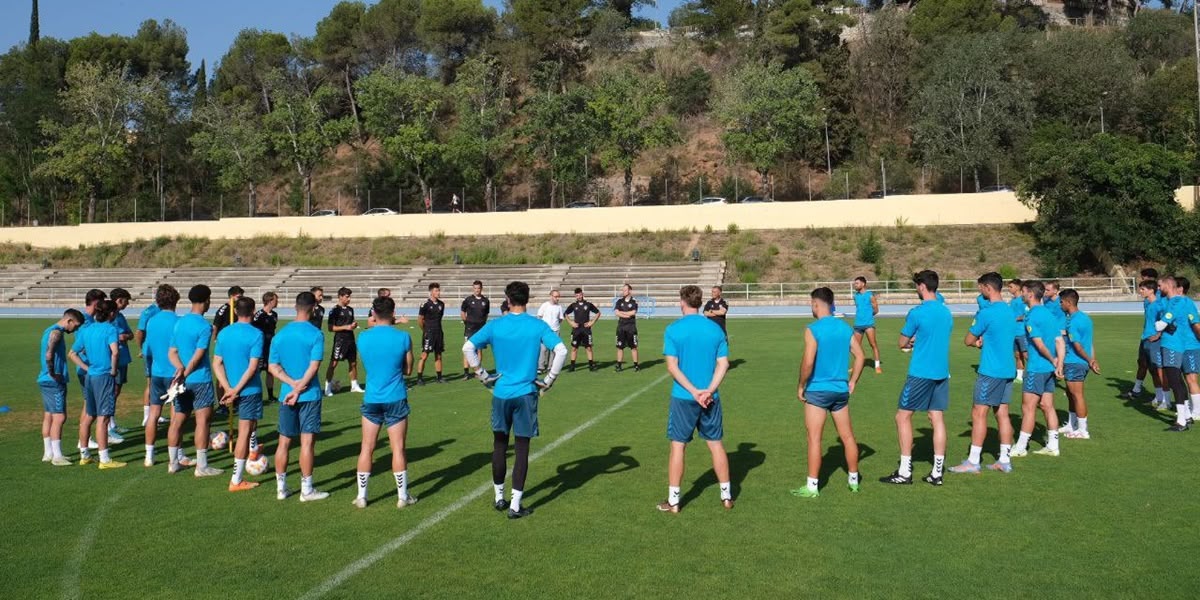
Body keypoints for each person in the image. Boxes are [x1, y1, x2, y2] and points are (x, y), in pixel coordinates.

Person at [463, 280, 568, 519]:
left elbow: (467, 347)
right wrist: (549, 379)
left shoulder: (496, 326)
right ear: (527, 300)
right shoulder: (537, 326)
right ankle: (515, 505)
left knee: (499, 445)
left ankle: (500, 497)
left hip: (501, 393)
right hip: (526, 393)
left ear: (508, 300)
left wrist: (482, 375)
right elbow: (561, 350)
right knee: (521, 449)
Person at [658, 285, 733, 513]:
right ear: (700, 302)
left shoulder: (673, 329)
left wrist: (693, 391)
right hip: (711, 399)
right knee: (716, 444)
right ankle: (727, 496)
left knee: (678, 447)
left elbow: (672, 367)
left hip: (683, 398)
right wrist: (708, 390)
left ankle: (674, 502)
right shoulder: (715, 330)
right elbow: (724, 364)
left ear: (682, 302)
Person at [880, 270, 953, 486]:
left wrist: (911, 342)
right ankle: (937, 473)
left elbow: (902, 342)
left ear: (921, 286)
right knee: (936, 418)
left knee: (902, 417)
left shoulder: (917, 313)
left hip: (921, 373)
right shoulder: (946, 312)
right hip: (941, 372)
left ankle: (904, 471)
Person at [792, 287, 864, 498]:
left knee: (814, 439)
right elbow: (860, 356)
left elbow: (808, 362)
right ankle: (853, 480)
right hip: (841, 391)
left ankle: (812, 486)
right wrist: (853, 382)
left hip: (818, 391)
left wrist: (801, 385)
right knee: (848, 437)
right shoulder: (845, 328)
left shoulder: (812, 329)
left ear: (815, 304)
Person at [353, 296, 418, 509]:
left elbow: (367, 365)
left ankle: (362, 496)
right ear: (393, 312)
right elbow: (408, 369)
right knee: (398, 448)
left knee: (367, 447)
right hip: (395, 397)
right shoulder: (403, 337)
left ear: (373, 313)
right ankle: (402, 496)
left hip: (372, 397)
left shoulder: (362, 338)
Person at [950, 273, 1017, 475]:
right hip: (1008, 369)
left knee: (979, 413)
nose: (980, 292)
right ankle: (1005, 460)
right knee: (1002, 413)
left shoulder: (986, 313)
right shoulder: (1009, 311)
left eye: (980, 288)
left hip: (991, 370)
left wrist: (979, 342)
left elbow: (968, 340)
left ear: (988, 288)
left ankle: (973, 461)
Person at [268, 291, 328, 501]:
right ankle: (306, 489)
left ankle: (281, 489)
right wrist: (299, 387)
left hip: (286, 396)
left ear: (295, 307)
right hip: (308, 394)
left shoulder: (280, 335)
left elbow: (273, 367)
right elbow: (314, 367)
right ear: (313, 309)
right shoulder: (315, 334)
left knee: (283, 442)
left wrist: (291, 385)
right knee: (307, 443)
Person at [167, 285, 223, 477]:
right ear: (206, 300)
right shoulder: (204, 326)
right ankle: (202, 466)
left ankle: (173, 462)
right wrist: (186, 371)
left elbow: (172, 352)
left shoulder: (180, 323)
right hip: (200, 379)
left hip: (181, 381)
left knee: (177, 420)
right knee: (203, 422)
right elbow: (199, 355)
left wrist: (180, 370)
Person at [214, 296, 265, 492]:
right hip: (249, 390)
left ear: (236, 312)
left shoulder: (225, 333)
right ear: (253, 311)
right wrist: (235, 390)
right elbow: (252, 368)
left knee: (248, 429)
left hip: (232, 390)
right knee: (244, 433)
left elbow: (217, 363)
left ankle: (250, 456)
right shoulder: (256, 334)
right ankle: (236, 480)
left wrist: (228, 388)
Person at [67, 299, 125, 469]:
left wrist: (87, 367)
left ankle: (84, 455)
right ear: (112, 313)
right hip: (104, 377)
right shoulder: (110, 329)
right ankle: (105, 459)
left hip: (90, 377)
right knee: (104, 418)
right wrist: (113, 370)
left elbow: (72, 353)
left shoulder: (88, 329)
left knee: (88, 417)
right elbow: (114, 352)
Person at [1010, 280, 1065, 457]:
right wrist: (1059, 363)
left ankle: (1020, 447)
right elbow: (1059, 340)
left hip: (1037, 368)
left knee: (1028, 408)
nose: (1022, 295)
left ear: (1031, 294)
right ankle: (1053, 445)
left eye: (1024, 292)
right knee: (1048, 406)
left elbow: (1040, 345)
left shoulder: (1032, 316)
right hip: (1049, 369)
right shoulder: (1049, 314)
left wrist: (1053, 360)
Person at [143, 285, 189, 468]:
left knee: (153, 414)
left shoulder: (151, 321)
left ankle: (149, 455)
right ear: (176, 301)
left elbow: (147, 348)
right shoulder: (178, 322)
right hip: (174, 374)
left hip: (156, 372)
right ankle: (177, 455)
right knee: (176, 416)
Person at [38, 309, 84, 466]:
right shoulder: (57, 333)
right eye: (76, 326)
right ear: (69, 321)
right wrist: (53, 373)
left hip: (44, 380)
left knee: (49, 415)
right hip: (53, 381)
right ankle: (57, 456)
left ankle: (48, 453)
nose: (76, 329)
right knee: (59, 416)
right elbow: (49, 355)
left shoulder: (48, 329)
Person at [1156, 276, 1197, 431]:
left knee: (1175, 382)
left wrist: (1160, 325)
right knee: (1178, 381)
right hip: (1171, 344)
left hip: (1172, 346)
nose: (1158, 289)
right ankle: (1186, 415)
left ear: (1168, 285)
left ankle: (1181, 421)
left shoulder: (1176, 302)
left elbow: (1160, 325)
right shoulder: (1171, 301)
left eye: (1160, 286)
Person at [1059, 289, 1099, 440]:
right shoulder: (1084, 318)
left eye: (1061, 302)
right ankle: (1072, 424)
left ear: (1069, 302)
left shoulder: (1073, 322)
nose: (1060, 305)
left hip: (1075, 362)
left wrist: (1089, 360)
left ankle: (1083, 430)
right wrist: (1092, 359)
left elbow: (1078, 346)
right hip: (1080, 361)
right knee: (1070, 394)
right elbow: (1089, 342)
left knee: (1077, 395)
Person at [1125, 269, 1165, 402]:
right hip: (1146, 336)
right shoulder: (1148, 299)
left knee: (1156, 368)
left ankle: (1163, 398)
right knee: (1142, 363)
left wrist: (1159, 334)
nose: (1140, 280)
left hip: (1154, 338)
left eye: (1143, 278)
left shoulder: (1159, 299)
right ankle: (1137, 390)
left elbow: (1165, 319)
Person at [106, 288, 134, 442]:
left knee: (116, 392)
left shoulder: (121, 316)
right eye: (126, 300)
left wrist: (126, 336)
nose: (127, 303)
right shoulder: (107, 317)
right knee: (111, 392)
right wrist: (118, 336)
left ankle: (112, 423)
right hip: (112, 360)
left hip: (123, 358)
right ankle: (107, 428)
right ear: (119, 300)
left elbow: (130, 333)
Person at [324, 287, 362, 396]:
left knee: (353, 363)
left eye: (350, 296)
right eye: (347, 296)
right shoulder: (334, 310)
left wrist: (353, 325)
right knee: (334, 363)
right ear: (340, 297)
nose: (349, 299)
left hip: (350, 339)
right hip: (340, 340)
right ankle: (328, 387)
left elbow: (350, 324)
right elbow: (330, 328)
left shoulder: (350, 309)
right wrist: (346, 327)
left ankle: (354, 385)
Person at [136, 288, 164, 427]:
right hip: (152, 351)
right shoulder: (149, 311)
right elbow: (140, 332)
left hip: (160, 351)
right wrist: (141, 349)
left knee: (158, 382)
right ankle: (147, 416)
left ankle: (155, 414)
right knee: (151, 383)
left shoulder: (162, 310)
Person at [416, 283, 446, 385]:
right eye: (436, 291)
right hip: (429, 333)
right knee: (424, 355)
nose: (438, 292)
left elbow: (439, 319)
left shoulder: (442, 304)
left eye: (439, 290)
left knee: (438, 355)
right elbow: (420, 320)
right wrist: (425, 330)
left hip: (439, 333)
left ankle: (439, 377)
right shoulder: (425, 305)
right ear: (431, 292)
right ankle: (419, 378)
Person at [851, 276, 882, 373]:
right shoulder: (855, 296)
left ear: (863, 284)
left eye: (857, 283)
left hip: (869, 325)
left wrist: (868, 316)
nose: (855, 285)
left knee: (873, 344)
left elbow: (876, 310)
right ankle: (856, 365)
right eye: (855, 283)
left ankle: (877, 366)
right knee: (856, 347)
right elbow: (858, 308)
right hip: (857, 325)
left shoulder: (870, 295)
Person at [253, 291, 280, 403]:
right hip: (261, 348)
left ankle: (270, 395)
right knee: (256, 371)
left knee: (270, 371)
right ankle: (254, 395)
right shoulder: (259, 315)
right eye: (276, 299)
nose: (277, 302)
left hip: (270, 347)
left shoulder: (274, 315)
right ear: (270, 301)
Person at [461, 280, 491, 379]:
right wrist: (467, 323)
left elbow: (486, 314)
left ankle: (478, 371)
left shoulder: (486, 301)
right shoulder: (468, 300)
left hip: (481, 329)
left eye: (478, 288)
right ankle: (466, 373)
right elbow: (462, 313)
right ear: (473, 289)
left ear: (481, 289)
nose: (477, 290)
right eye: (475, 288)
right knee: (467, 349)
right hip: (470, 328)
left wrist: (482, 324)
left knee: (479, 350)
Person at [565, 287, 600, 372]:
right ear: (575, 296)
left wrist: (592, 322)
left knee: (588, 348)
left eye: (580, 294)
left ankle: (591, 366)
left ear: (582, 294)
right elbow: (565, 314)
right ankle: (572, 366)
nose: (579, 296)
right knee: (574, 348)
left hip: (586, 330)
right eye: (577, 295)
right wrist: (571, 323)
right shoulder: (573, 305)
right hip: (576, 330)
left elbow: (598, 313)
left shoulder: (588, 304)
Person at [536, 290, 566, 372]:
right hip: (545, 331)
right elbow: (539, 316)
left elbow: (560, 318)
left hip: (555, 331)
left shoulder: (559, 307)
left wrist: (556, 326)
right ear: (551, 296)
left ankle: (550, 367)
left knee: (553, 350)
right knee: (543, 349)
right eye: (556, 296)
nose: (557, 298)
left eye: (558, 296)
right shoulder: (545, 305)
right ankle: (541, 367)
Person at [613, 284, 640, 372]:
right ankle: (619, 365)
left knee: (633, 347)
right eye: (623, 290)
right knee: (620, 347)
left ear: (630, 291)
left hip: (631, 328)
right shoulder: (619, 301)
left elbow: (633, 312)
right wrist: (626, 314)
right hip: (621, 327)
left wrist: (622, 313)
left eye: (625, 290)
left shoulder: (634, 302)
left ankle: (636, 365)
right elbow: (616, 312)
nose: (623, 291)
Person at [1007, 279, 1027, 381]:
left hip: (1022, 331)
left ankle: (1036, 373)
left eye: (1011, 287)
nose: (1009, 289)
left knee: (1026, 354)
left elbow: (1028, 314)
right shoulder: (1012, 301)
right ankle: (1019, 377)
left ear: (1018, 287)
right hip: (1013, 332)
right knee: (1017, 355)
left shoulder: (1023, 300)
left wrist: (1017, 318)